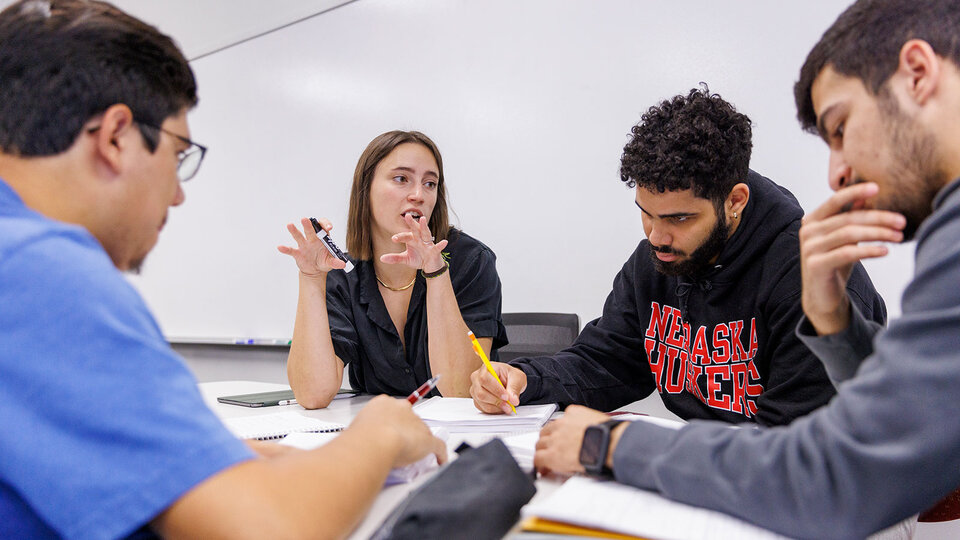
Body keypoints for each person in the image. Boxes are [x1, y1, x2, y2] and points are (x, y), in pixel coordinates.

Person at [0, 1, 445, 538]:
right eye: (179, 155)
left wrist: (207, 456)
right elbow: (267, 528)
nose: (179, 194)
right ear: (116, 137)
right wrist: (381, 434)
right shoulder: (42, 274)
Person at [516, 0, 960, 538]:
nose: (837, 172)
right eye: (647, 216)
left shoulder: (804, 260)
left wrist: (610, 443)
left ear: (918, 71)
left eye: (841, 128)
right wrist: (836, 327)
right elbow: (904, 412)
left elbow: (836, 474)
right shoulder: (655, 262)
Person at [471, 86, 886, 429]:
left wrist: (633, 450)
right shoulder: (658, 260)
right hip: (719, 465)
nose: (655, 236)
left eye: (679, 218)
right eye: (645, 213)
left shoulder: (815, 280)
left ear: (735, 201)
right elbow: (608, 360)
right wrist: (526, 379)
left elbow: (796, 445)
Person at [280, 130, 507, 408]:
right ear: (366, 189)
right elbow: (312, 394)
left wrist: (435, 272)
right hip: (379, 431)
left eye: (430, 183)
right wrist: (312, 278)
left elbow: (460, 390)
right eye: (401, 179)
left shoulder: (470, 261)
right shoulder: (345, 273)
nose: (418, 195)